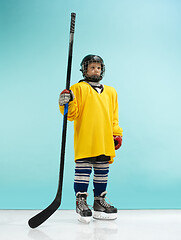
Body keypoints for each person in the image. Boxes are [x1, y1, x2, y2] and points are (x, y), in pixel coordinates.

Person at [59, 55, 123, 223]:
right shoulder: (78, 89)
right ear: (85, 69)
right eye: (92, 67)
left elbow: (114, 117)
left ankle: (99, 201)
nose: (96, 70)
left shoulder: (111, 91)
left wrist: (117, 133)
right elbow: (71, 115)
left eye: (99, 67)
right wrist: (65, 102)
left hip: (104, 139)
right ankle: (81, 201)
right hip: (86, 138)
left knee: (102, 171)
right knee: (83, 171)